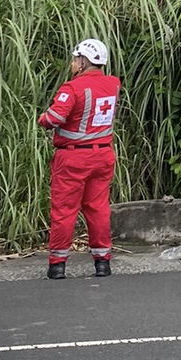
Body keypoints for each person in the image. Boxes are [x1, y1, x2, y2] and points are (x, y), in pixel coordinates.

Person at [37, 39, 120, 280]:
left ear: (83, 61)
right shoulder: (114, 84)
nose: (72, 63)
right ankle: (102, 262)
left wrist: (42, 118)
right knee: (98, 208)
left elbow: (53, 119)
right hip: (103, 154)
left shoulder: (71, 88)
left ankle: (58, 264)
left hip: (73, 157)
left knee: (64, 210)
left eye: (75, 59)